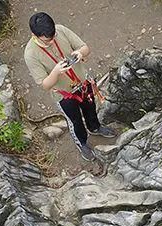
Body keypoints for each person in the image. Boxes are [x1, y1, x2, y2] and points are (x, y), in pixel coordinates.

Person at [23, 12, 116, 161]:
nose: (52, 41)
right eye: (47, 40)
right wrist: (55, 72)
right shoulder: (31, 54)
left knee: (91, 108)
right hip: (64, 95)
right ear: (34, 34)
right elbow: (45, 84)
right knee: (75, 121)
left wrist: (80, 53)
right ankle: (82, 143)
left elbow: (85, 48)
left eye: (53, 37)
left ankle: (94, 127)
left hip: (83, 83)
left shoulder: (60, 30)